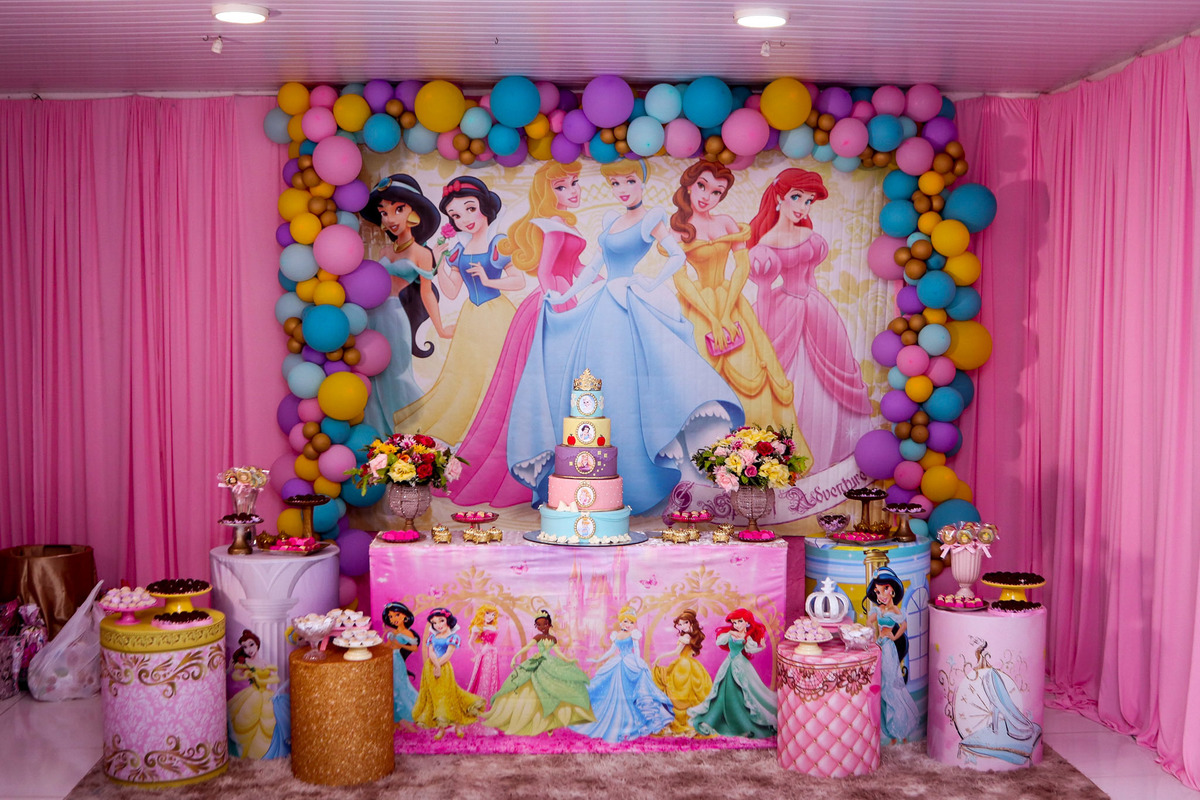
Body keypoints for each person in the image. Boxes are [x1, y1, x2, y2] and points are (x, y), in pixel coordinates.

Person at [509, 159, 744, 513]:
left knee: (631, 381)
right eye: (616, 184)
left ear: (642, 182)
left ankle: (639, 474)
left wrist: (650, 282)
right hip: (603, 303)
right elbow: (594, 267)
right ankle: (590, 471)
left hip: (629, 301)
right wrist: (564, 295)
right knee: (595, 380)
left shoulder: (652, 219)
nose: (622, 190)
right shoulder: (610, 220)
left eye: (629, 181)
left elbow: (676, 256)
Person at [445, 161, 589, 507]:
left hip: (562, 299)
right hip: (551, 303)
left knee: (567, 381)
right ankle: (542, 467)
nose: (572, 191)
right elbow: (544, 272)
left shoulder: (562, 223)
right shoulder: (546, 224)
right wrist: (561, 300)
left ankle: (569, 466)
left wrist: (606, 285)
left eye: (573, 183)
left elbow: (577, 268)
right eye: (561, 186)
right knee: (542, 382)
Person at [668, 161, 806, 454]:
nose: (707, 196)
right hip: (698, 307)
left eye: (716, 192)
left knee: (751, 370)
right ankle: (705, 454)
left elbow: (742, 267)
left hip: (731, 301)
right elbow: (681, 279)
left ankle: (755, 453)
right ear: (689, 186)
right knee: (697, 374)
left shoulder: (727, 223)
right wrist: (714, 319)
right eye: (702, 186)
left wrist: (727, 312)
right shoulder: (678, 229)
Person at [747, 168, 872, 471]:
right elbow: (764, 295)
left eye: (808, 201)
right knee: (786, 377)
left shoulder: (810, 237)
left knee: (830, 371)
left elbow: (810, 278)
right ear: (779, 197)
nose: (803, 207)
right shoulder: (765, 245)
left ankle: (825, 449)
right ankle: (785, 454)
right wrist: (763, 339)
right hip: (782, 314)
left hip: (816, 310)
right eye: (797, 197)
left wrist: (819, 310)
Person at [392, 176, 525, 446]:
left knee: (498, 372)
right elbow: (452, 291)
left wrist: (488, 280)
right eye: (455, 215)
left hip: (497, 315)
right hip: (471, 318)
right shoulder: (460, 250)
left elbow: (519, 280)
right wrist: (440, 262)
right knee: (468, 374)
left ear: (484, 207)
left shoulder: (499, 243)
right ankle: (478, 426)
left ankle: (501, 428)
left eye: (470, 208)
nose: (464, 219)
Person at [358, 174, 451, 436]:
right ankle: (379, 438)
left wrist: (441, 328)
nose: (390, 219)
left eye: (398, 209)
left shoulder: (422, 254)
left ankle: (417, 436)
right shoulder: (385, 252)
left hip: (393, 317)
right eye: (384, 212)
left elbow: (426, 293)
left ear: (414, 212)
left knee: (397, 375)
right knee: (373, 378)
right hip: (370, 318)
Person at [482, 610, 594, 736]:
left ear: (549, 625)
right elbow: (527, 647)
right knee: (534, 693)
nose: (542, 627)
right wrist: (515, 656)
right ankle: (536, 721)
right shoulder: (538, 637)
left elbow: (559, 653)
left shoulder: (552, 639)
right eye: (539, 625)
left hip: (550, 664)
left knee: (553, 692)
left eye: (544, 624)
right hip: (537, 664)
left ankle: (550, 723)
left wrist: (569, 660)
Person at [571, 607, 674, 743]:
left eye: (631, 622)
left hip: (630, 662)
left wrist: (638, 663)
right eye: (626, 621)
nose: (628, 624)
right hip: (618, 663)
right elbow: (611, 651)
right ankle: (614, 722)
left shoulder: (634, 634)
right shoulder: (617, 635)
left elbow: (636, 650)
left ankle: (637, 723)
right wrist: (598, 660)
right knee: (610, 690)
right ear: (621, 622)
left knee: (633, 691)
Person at [687, 608, 777, 739]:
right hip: (729, 663)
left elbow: (750, 649)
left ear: (747, 622)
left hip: (741, 664)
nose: (737, 625)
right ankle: (717, 718)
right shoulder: (731, 634)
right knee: (722, 689)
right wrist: (728, 634)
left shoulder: (747, 637)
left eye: (740, 622)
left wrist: (762, 646)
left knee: (746, 691)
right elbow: (719, 642)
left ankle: (743, 723)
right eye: (734, 622)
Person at [863, 567, 920, 742]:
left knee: (891, 686)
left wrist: (894, 637)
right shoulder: (878, 610)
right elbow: (869, 621)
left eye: (885, 589)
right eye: (878, 591)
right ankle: (889, 730)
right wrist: (873, 635)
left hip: (889, 648)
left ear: (893, 590)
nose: (881, 595)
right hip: (880, 646)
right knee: (881, 685)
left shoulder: (895, 611)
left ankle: (900, 728)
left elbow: (904, 625)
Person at [411, 606, 484, 739]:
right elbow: (431, 652)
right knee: (435, 696)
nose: (438, 625)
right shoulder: (433, 637)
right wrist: (435, 666)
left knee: (449, 695)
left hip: (444, 667)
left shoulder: (453, 637)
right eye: (434, 623)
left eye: (441, 621)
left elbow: (448, 654)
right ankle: (441, 728)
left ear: (448, 621)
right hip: (430, 667)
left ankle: (457, 725)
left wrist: (439, 666)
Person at [651, 609, 713, 735]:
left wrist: (659, 657)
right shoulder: (693, 636)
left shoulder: (685, 637)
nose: (682, 626)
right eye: (680, 624)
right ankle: (690, 722)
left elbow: (676, 652)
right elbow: (693, 652)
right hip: (692, 665)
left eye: (685, 623)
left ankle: (683, 723)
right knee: (690, 694)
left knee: (680, 692)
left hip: (683, 666)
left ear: (691, 623)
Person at [227, 629, 280, 759]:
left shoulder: (264, 663)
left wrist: (264, 680)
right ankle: (243, 750)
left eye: (251, 645)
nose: (249, 649)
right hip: (253, 693)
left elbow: (274, 677)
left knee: (269, 717)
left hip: (265, 693)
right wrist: (246, 674)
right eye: (245, 647)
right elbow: (236, 675)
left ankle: (267, 749)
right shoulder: (245, 663)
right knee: (247, 716)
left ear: (257, 645)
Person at [382, 601, 420, 725]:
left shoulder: (407, 633)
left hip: (397, 660)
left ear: (405, 616)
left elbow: (414, 648)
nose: (394, 619)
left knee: (401, 686)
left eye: (397, 615)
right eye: (391, 617)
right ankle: (396, 716)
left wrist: (400, 645)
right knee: (393, 687)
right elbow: (386, 647)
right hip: (389, 659)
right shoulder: (394, 633)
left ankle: (411, 712)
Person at [465, 604, 501, 704]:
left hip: (493, 653)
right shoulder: (478, 627)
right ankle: (482, 700)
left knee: (492, 676)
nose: (490, 617)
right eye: (488, 613)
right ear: (482, 614)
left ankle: (490, 699)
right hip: (485, 653)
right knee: (485, 675)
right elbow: (470, 642)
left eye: (493, 615)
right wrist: (477, 653)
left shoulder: (493, 626)